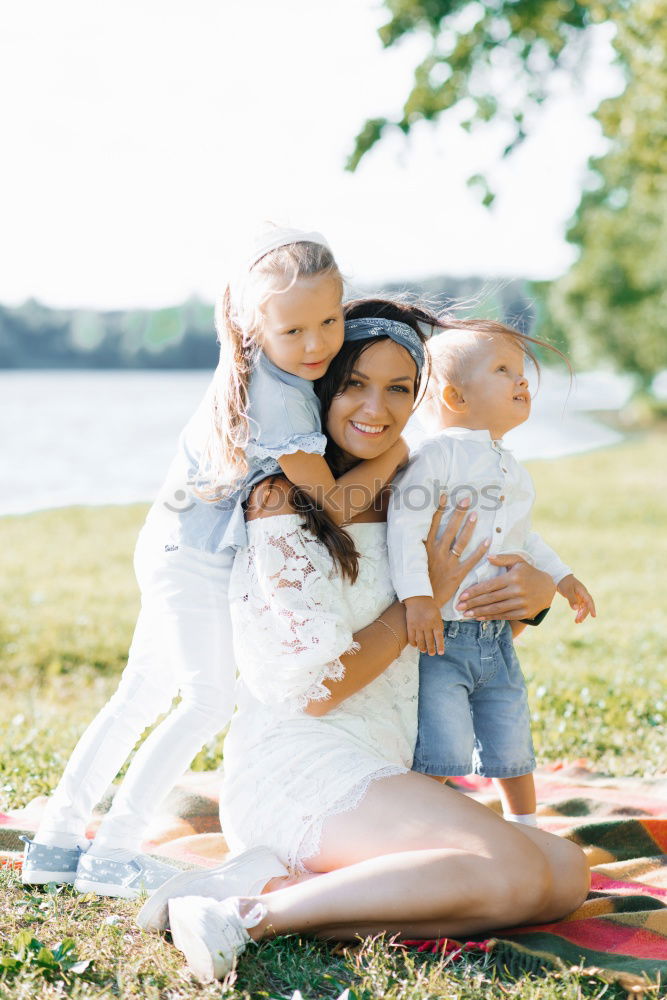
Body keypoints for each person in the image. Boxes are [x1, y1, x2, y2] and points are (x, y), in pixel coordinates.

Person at [152, 301, 589, 982]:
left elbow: (459, 649)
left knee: (563, 874)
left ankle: (270, 888)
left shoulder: (418, 492)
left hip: (389, 769)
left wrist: (528, 601)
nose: (375, 408)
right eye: (354, 384)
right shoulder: (280, 507)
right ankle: (241, 915)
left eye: (398, 389)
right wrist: (428, 596)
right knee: (507, 868)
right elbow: (318, 694)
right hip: (303, 763)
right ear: (321, 390)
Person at [21, 228, 408, 898]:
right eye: (294, 330)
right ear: (253, 325)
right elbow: (336, 502)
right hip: (193, 560)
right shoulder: (278, 395)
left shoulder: (269, 368)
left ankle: (57, 842)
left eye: (328, 320)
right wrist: (393, 457)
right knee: (205, 700)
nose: (316, 343)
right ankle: (114, 848)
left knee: (141, 693)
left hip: (170, 541)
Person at [387, 319, 596, 826]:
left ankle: (526, 826)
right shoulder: (439, 455)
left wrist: (563, 578)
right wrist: (419, 598)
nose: (522, 381)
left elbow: (525, 538)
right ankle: (415, 826)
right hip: (444, 633)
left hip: (497, 637)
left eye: (521, 372)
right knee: (444, 741)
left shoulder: (510, 467)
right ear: (455, 397)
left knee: (510, 730)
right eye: (504, 370)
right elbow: (405, 525)